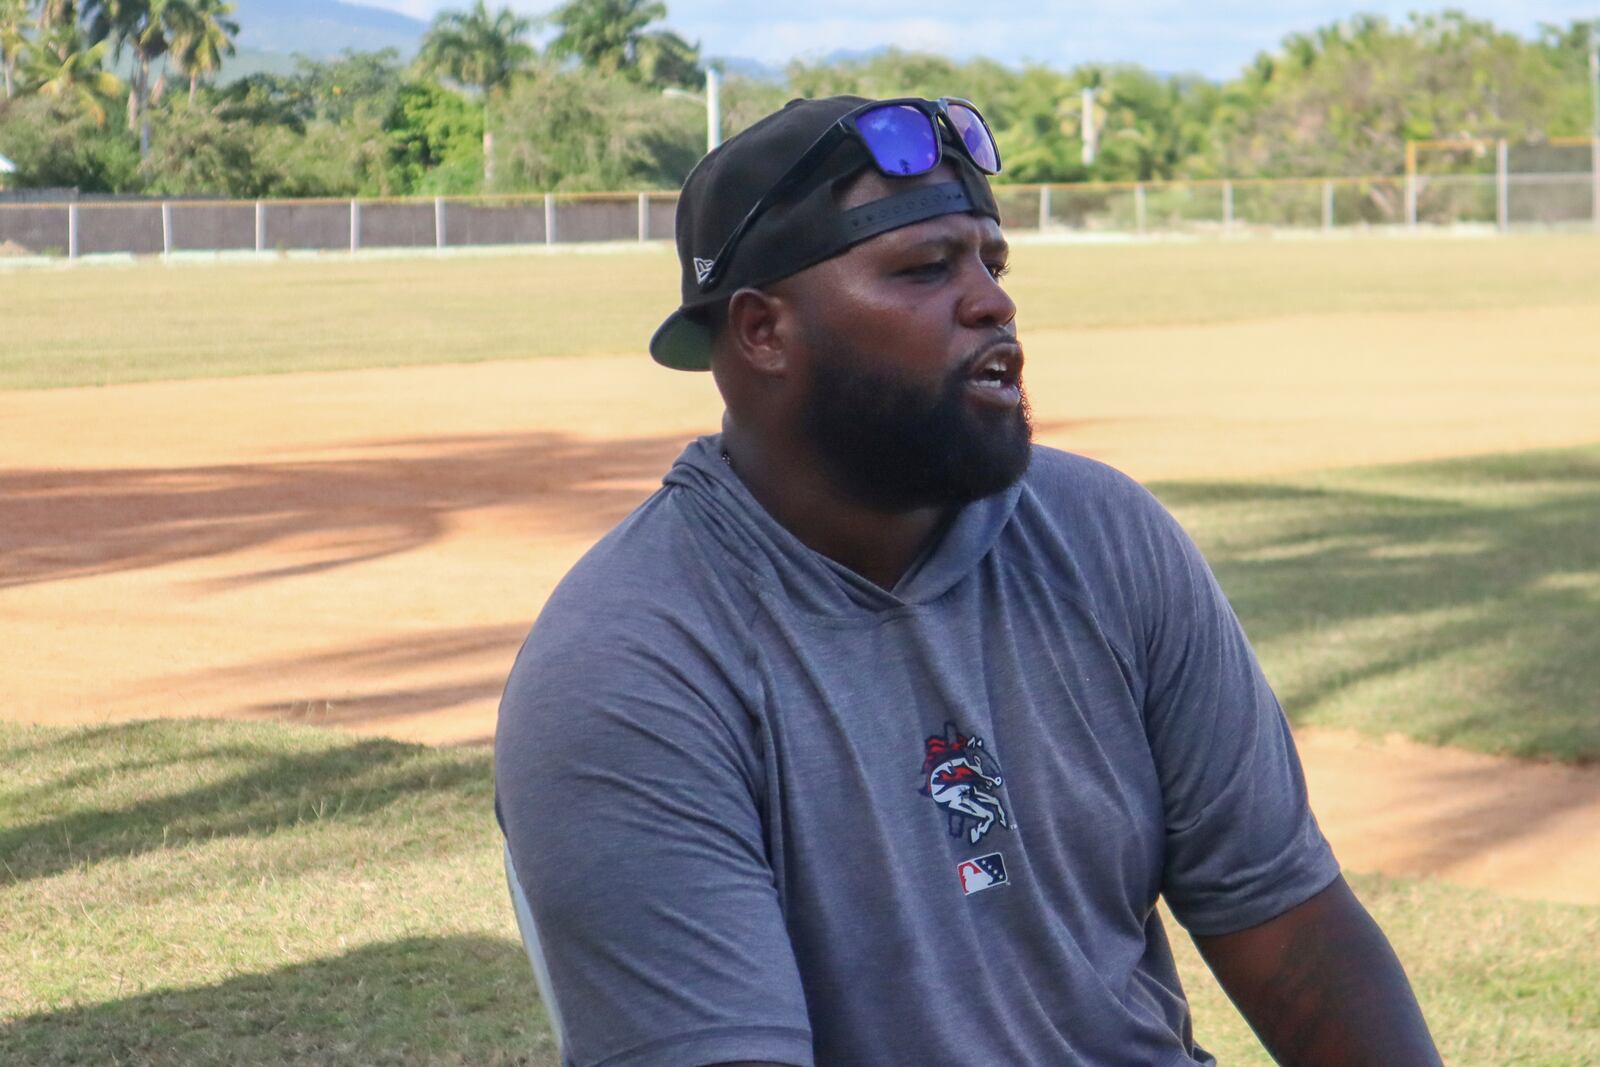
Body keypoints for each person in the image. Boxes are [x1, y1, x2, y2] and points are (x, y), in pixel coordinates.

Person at [495, 95, 1442, 1067]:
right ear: (763, 332)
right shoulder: (627, 667)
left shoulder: (1104, 534)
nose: (991, 300)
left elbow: (1286, 922)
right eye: (922, 268)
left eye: (990, 260)